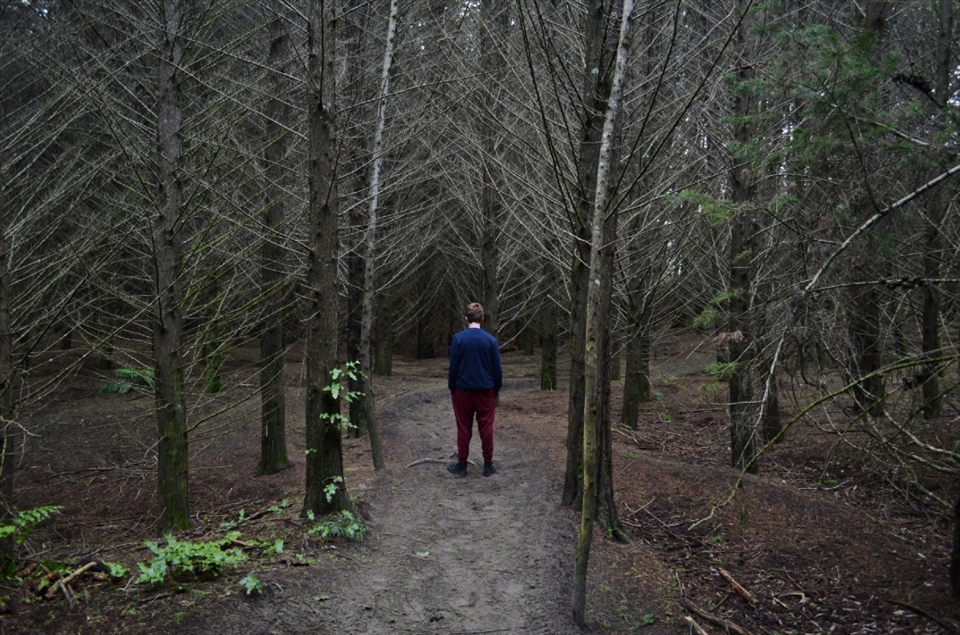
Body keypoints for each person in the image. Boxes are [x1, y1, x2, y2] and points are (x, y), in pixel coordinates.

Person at [447, 302, 502, 477]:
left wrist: (453, 388)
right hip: (486, 391)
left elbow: (453, 368)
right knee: (486, 427)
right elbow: (497, 369)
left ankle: (462, 466)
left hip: (462, 391)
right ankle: (488, 465)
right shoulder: (491, 341)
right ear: (482, 319)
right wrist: (495, 389)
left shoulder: (459, 339)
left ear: (466, 318)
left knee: (463, 427)